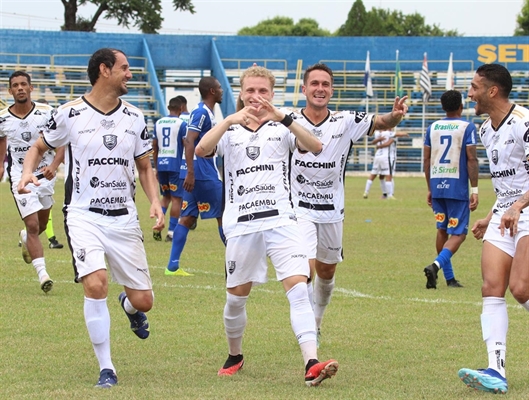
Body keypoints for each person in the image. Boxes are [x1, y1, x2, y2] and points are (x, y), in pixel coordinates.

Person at [17, 48, 164, 389]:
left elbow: (145, 167)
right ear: (104, 70)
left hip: (124, 219)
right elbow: (39, 146)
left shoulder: (136, 118)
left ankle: (129, 306)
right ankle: (107, 368)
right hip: (83, 215)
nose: (130, 74)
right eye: (125, 68)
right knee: (95, 283)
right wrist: (26, 172)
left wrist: (155, 201)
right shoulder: (69, 113)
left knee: (145, 301)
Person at [196, 65, 339, 386]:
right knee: (236, 297)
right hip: (242, 225)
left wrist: (285, 118)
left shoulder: (285, 125)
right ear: (241, 93)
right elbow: (201, 150)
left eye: (263, 91)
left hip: (282, 221)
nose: (256, 97)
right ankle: (235, 354)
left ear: (272, 94)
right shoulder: (229, 129)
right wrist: (229, 120)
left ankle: (311, 363)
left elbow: (315, 146)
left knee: (299, 289)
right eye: (250, 91)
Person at [288, 63, 408, 345]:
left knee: (326, 272)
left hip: (332, 211)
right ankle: (307, 334)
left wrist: (396, 116)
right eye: (314, 83)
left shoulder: (345, 121)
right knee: (304, 270)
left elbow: (382, 122)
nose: (320, 89)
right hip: (298, 210)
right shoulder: (290, 121)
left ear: (331, 90)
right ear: (304, 89)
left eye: (325, 84)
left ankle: (316, 320)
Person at [457, 64, 529, 395]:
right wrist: (491, 215)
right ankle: (496, 369)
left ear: (492, 91)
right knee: (491, 286)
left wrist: (517, 207)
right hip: (505, 213)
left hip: (525, 210)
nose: (469, 93)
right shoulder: (486, 130)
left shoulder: (524, 123)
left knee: (521, 288)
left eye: (473, 87)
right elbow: (507, 185)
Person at [0, 71, 65, 293]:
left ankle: (26, 237)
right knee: (34, 225)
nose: (19, 88)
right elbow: (1, 139)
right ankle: (43, 274)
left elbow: (62, 140)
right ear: (10, 91)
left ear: (30, 88)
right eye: (15, 85)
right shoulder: (3, 118)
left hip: (44, 176)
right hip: (20, 177)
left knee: (42, 224)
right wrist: (1, 164)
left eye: (23, 84)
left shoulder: (47, 113)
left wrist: (54, 166)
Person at [165, 77, 225, 276]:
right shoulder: (201, 113)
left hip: (195, 173)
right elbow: (189, 141)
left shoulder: (205, 112)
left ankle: (172, 266)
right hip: (202, 173)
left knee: (187, 217)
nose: (222, 90)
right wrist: (190, 172)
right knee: (224, 216)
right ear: (212, 91)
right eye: (219, 87)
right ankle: (237, 265)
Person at [423, 90, 479, 289]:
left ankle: (449, 278)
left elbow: (427, 160)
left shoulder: (432, 127)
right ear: (461, 106)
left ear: (443, 107)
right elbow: (471, 158)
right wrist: (475, 189)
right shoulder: (467, 127)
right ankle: (436, 266)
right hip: (457, 187)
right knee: (459, 234)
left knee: (442, 229)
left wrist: (430, 188)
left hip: (437, 185)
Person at [152, 96, 186, 242]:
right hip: (175, 165)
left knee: (165, 197)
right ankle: (171, 232)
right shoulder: (181, 123)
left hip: (162, 163)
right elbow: (186, 145)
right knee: (177, 198)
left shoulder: (158, 123)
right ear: (181, 109)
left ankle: (157, 225)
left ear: (168, 108)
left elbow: (154, 147)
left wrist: (156, 168)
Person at [35, 98, 64, 249]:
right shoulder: (35, 130)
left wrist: (55, 164)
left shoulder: (52, 130)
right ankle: (51, 239)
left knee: (44, 212)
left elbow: (60, 148)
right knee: (36, 211)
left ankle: (27, 234)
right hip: (32, 175)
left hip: (47, 175)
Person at [363, 129, 397, 199]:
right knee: (389, 176)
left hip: (378, 156)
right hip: (387, 157)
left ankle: (366, 192)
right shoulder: (390, 134)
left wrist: (378, 142)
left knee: (377, 175)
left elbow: (373, 142)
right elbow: (389, 142)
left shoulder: (377, 133)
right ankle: (390, 195)